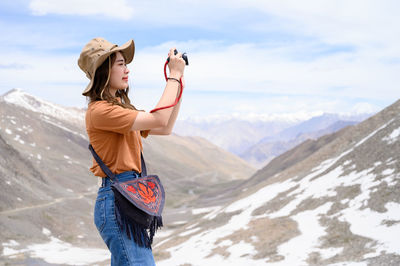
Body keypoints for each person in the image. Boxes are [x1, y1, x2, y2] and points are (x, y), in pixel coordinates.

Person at [78, 37, 185, 265]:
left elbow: (164, 127)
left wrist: (179, 81)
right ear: (104, 71)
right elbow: (160, 117)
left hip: (127, 198)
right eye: (120, 64)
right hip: (118, 200)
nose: (127, 70)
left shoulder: (119, 109)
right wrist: (173, 77)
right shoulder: (101, 111)